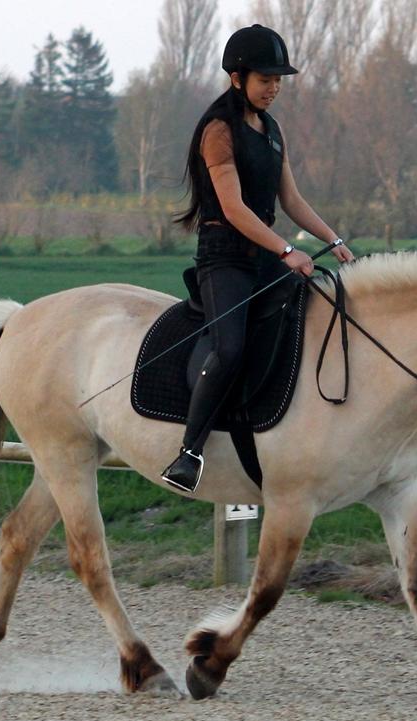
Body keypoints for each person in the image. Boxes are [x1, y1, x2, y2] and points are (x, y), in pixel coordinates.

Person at [161, 23, 354, 493]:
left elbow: (291, 199)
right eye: (266, 79)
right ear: (237, 78)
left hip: (265, 254)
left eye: (279, 81)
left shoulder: (271, 129)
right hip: (225, 258)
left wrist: (332, 239)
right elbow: (233, 208)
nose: (274, 88)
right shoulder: (217, 131)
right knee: (230, 348)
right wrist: (287, 249)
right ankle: (189, 452)